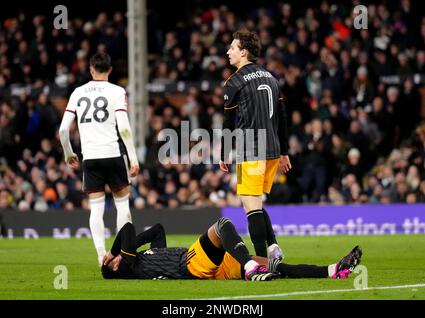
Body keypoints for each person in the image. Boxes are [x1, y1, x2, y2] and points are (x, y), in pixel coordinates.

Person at [59, 52, 139, 266]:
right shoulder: (117, 91)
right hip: (113, 154)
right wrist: (133, 158)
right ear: (110, 69)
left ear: (91, 70)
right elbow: (123, 128)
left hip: (91, 157)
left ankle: (101, 257)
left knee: (96, 209)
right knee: (122, 205)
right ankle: (121, 256)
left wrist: (69, 153)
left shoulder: (78, 92)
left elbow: (63, 130)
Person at [219, 29, 292, 260]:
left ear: (244, 52)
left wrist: (224, 153)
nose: (228, 51)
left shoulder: (234, 81)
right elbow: (282, 116)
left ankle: (261, 261)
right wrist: (284, 152)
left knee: (250, 207)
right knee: (256, 203)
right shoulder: (271, 77)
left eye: (232, 47)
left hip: (250, 148)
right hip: (272, 148)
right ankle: (272, 247)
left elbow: (228, 122)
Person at [101, 217, 362, 281]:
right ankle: (250, 268)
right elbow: (126, 229)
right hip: (191, 264)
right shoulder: (126, 265)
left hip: (208, 269)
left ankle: (332, 270)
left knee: (277, 268)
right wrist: (112, 254)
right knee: (222, 225)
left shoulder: (144, 257)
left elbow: (157, 229)